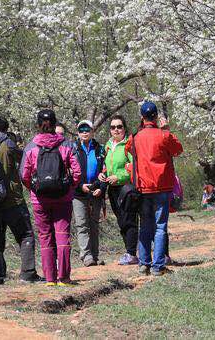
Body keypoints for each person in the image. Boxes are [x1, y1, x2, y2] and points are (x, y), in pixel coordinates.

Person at [0, 115, 42, 285]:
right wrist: (18, 144)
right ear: (4, 130)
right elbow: (24, 159)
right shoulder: (7, 143)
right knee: (25, 234)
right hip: (11, 200)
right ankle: (28, 274)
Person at [21, 109, 81, 286]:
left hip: (40, 199)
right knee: (62, 235)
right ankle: (64, 277)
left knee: (45, 236)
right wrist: (70, 187)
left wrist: (33, 189)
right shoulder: (66, 145)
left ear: (38, 125)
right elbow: (77, 172)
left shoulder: (31, 147)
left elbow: (24, 175)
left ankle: (50, 279)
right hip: (63, 198)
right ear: (55, 124)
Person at [125, 102, 183, 276]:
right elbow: (178, 149)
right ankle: (158, 266)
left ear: (142, 117)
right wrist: (167, 130)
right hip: (162, 187)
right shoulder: (164, 135)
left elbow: (128, 150)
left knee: (145, 226)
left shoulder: (135, 137)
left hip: (143, 188)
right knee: (160, 227)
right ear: (156, 117)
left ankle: (144, 264)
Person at [99, 115, 138, 265]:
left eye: (119, 126)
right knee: (121, 221)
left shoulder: (129, 145)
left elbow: (135, 167)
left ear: (124, 128)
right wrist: (103, 174)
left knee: (129, 220)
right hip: (113, 189)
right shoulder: (108, 146)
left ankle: (132, 253)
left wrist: (119, 177)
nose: (116, 129)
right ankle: (129, 252)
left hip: (126, 188)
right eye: (113, 127)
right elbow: (106, 166)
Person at [72, 120, 107, 267]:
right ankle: (86, 256)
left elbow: (106, 171)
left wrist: (102, 188)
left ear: (93, 131)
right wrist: (80, 186)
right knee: (82, 225)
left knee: (94, 224)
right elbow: (70, 171)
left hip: (95, 192)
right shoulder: (73, 149)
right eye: (81, 130)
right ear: (78, 133)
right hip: (78, 194)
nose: (84, 132)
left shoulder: (100, 149)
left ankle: (95, 255)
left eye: (87, 129)